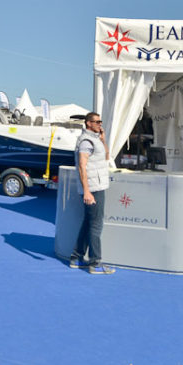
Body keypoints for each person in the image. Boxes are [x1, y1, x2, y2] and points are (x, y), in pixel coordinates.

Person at [70, 112, 114, 274]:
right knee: (96, 225)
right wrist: (87, 192)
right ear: (88, 123)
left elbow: (106, 158)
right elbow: (82, 166)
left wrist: (103, 139)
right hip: (93, 189)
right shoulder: (86, 141)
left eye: (100, 121)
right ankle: (95, 263)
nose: (99, 124)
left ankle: (77, 257)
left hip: (97, 186)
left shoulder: (95, 140)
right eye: (96, 122)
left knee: (88, 222)